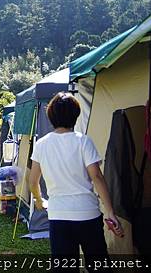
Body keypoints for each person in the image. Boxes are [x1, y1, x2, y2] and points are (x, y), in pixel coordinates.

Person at [28, 92, 123, 272]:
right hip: (87, 213)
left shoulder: (41, 144)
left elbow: (33, 181)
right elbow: (97, 177)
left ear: (51, 116)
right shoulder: (83, 141)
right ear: (75, 115)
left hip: (58, 215)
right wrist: (110, 211)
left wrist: (39, 201)